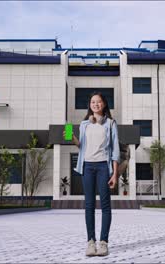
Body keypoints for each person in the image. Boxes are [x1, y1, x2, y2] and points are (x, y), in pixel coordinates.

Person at [63, 91, 120, 257]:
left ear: (104, 104)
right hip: (87, 166)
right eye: (93, 102)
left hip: (103, 166)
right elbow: (81, 146)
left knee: (105, 205)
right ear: (90, 105)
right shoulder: (84, 124)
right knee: (89, 205)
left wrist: (115, 174)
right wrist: (71, 137)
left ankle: (103, 243)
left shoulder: (110, 123)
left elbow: (115, 150)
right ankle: (90, 242)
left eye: (99, 101)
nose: (96, 104)